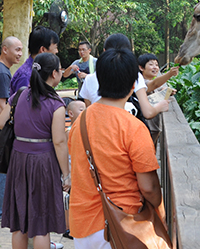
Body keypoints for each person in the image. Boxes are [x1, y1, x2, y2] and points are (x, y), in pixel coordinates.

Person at [68, 48, 163, 248]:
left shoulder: (80, 121)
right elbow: (149, 187)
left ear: (99, 80)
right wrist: (161, 213)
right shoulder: (133, 127)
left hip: (82, 225)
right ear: (133, 85)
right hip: (121, 225)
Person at [0, 53, 70, 249]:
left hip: (18, 159)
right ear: (54, 73)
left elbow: (1, 122)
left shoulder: (19, 95)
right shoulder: (56, 104)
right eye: (60, 69)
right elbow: (59, 142)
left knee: (19, 223)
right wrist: (66, 174)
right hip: (43, 163)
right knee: (41, 224)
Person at [78, 34, 169, 123]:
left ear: (105, 51)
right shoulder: (134, 75)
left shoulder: (89, 78)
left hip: (99, 126)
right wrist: (160, 106)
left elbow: (89, 111)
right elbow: (148, 112)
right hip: (128, 125)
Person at [0, 36, 24, 224]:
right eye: (17, 49)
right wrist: (12, 130)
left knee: (5, 168)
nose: (20, 54)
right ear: (5, 49)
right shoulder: (1, 73)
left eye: (21, 50)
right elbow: (1, 107)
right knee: (3, 169)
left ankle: (2, 210)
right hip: (1, 130)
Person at [11, 27, 77, 93]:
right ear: (42, 49)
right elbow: (24, 99)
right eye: (55, 47)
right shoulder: (26, 76)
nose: (57, 51)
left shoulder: (39, 70)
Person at [137, 53, 179, 144]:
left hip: (154, 128)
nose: (155, 67)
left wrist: (166, 92)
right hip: (146, 127)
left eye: (156, 65)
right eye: (151, 64)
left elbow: (156, 87)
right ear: (141, 67)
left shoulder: (150, 81)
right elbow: (154, 84)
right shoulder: (140, 83)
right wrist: (169, 74)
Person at [62, 98, 85, 241]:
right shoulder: (69, 131)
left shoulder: (85, 128)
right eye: (81, 109)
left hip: (80, 170)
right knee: (69, 199)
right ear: (70, 113)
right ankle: (68, 227)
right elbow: (66, 154)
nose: (85, 111)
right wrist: (68, 173)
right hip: (72, 170)